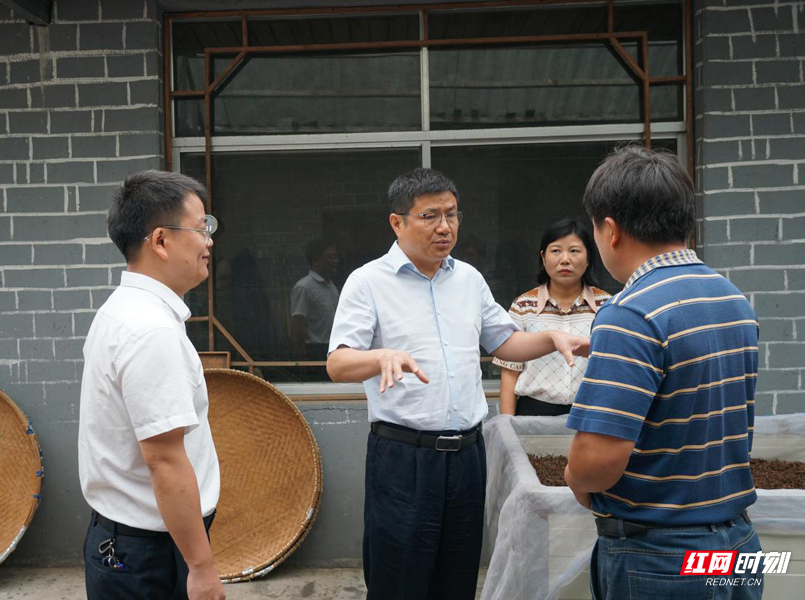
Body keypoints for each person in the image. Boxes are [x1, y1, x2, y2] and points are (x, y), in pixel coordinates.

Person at [326, 167, 589, 599]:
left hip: (467, 457)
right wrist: (380, 356)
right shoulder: (368, 281)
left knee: (458, 577)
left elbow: (504, 341)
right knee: (399, 581)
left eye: (451, 214)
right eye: (430, 216)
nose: (445, 227)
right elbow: (338, 363)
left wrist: (550, 338)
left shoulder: (468, 279)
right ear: (397, 222)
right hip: (404, 459)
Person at [563, 146, 763, 599]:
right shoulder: (731, 298)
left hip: (662, 557)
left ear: (611, 229)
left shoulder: (629, 313)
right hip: (739, 544)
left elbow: (596, 464)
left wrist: (575, 478)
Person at [78, 170, 225, 600]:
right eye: (201, 228)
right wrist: (201, 568)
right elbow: (164, 460)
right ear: (160, 241)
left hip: (126, 541)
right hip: (148, 556)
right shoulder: (151, 331)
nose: (209, 242)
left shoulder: (121, 310)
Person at [495, 218, 611, 416]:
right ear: (543, 257)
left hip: (591, 413)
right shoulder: (523, 306)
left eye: (574, 251)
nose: (565, 259)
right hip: (533, 413)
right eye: (556, 251)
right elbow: (510, 372)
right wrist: (507, 423)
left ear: (588, 257)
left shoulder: (606, 306)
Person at [290, 239, 340, 361]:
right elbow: (298, 322)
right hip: (314, 351)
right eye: (331, 257)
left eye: (336, 257)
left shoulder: (332, 287)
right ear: (316, 260)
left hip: (333, 349)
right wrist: (301, 356)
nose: (336, 261)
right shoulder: (304, 287)